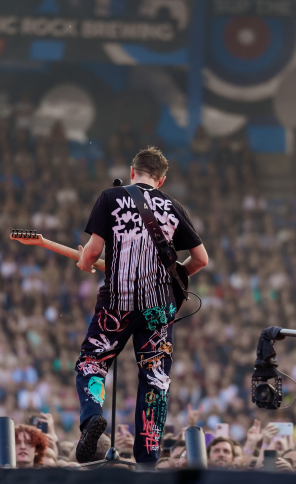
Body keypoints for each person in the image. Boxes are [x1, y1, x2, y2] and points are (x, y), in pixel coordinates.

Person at [45, 146, 207, 466]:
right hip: (158, 309)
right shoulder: (173, 207)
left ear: (132, 172)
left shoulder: (110, 197)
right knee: (155, 378)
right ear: (161, 180)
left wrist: (84, 262)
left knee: (93, 362)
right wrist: (174, 279)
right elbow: (200, 259)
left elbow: (92, 253)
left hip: (118, 303)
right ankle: (148, 458)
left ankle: (93, 418)